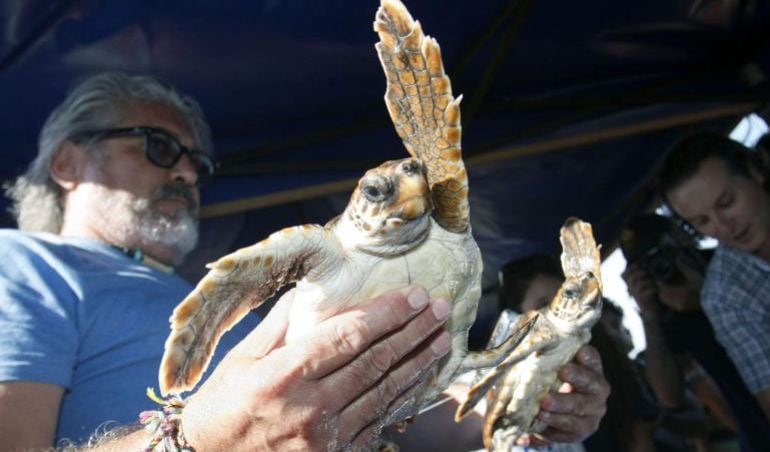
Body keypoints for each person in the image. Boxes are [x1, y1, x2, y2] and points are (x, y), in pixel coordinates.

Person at [0, 72, 609, 451]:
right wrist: (197, 440)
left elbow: (396, 415)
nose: (187, 171)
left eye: (198, 164)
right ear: (67, 164)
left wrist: (524, 404)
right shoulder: (21, 263)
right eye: (159, 147)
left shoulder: (211, 299)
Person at [621, 213, 770, 451]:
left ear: (683, 237)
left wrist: (706, 298)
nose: (662, 265)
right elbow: (669, 397)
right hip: (756, 431)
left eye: (664, 251)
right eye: (648, 263)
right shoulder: (666, 312)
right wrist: (649, 316)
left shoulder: (730, 267)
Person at [659, 131, 770, 424]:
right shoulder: (723, 294)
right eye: (702, 222)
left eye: (726, 202)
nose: (723, 226)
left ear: (755, 170)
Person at [496, 254, 655, 452]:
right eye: (544, 305)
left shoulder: (607, 361)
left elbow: (641, 433)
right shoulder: (512, 394)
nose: (562, 313)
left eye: (568, 299)